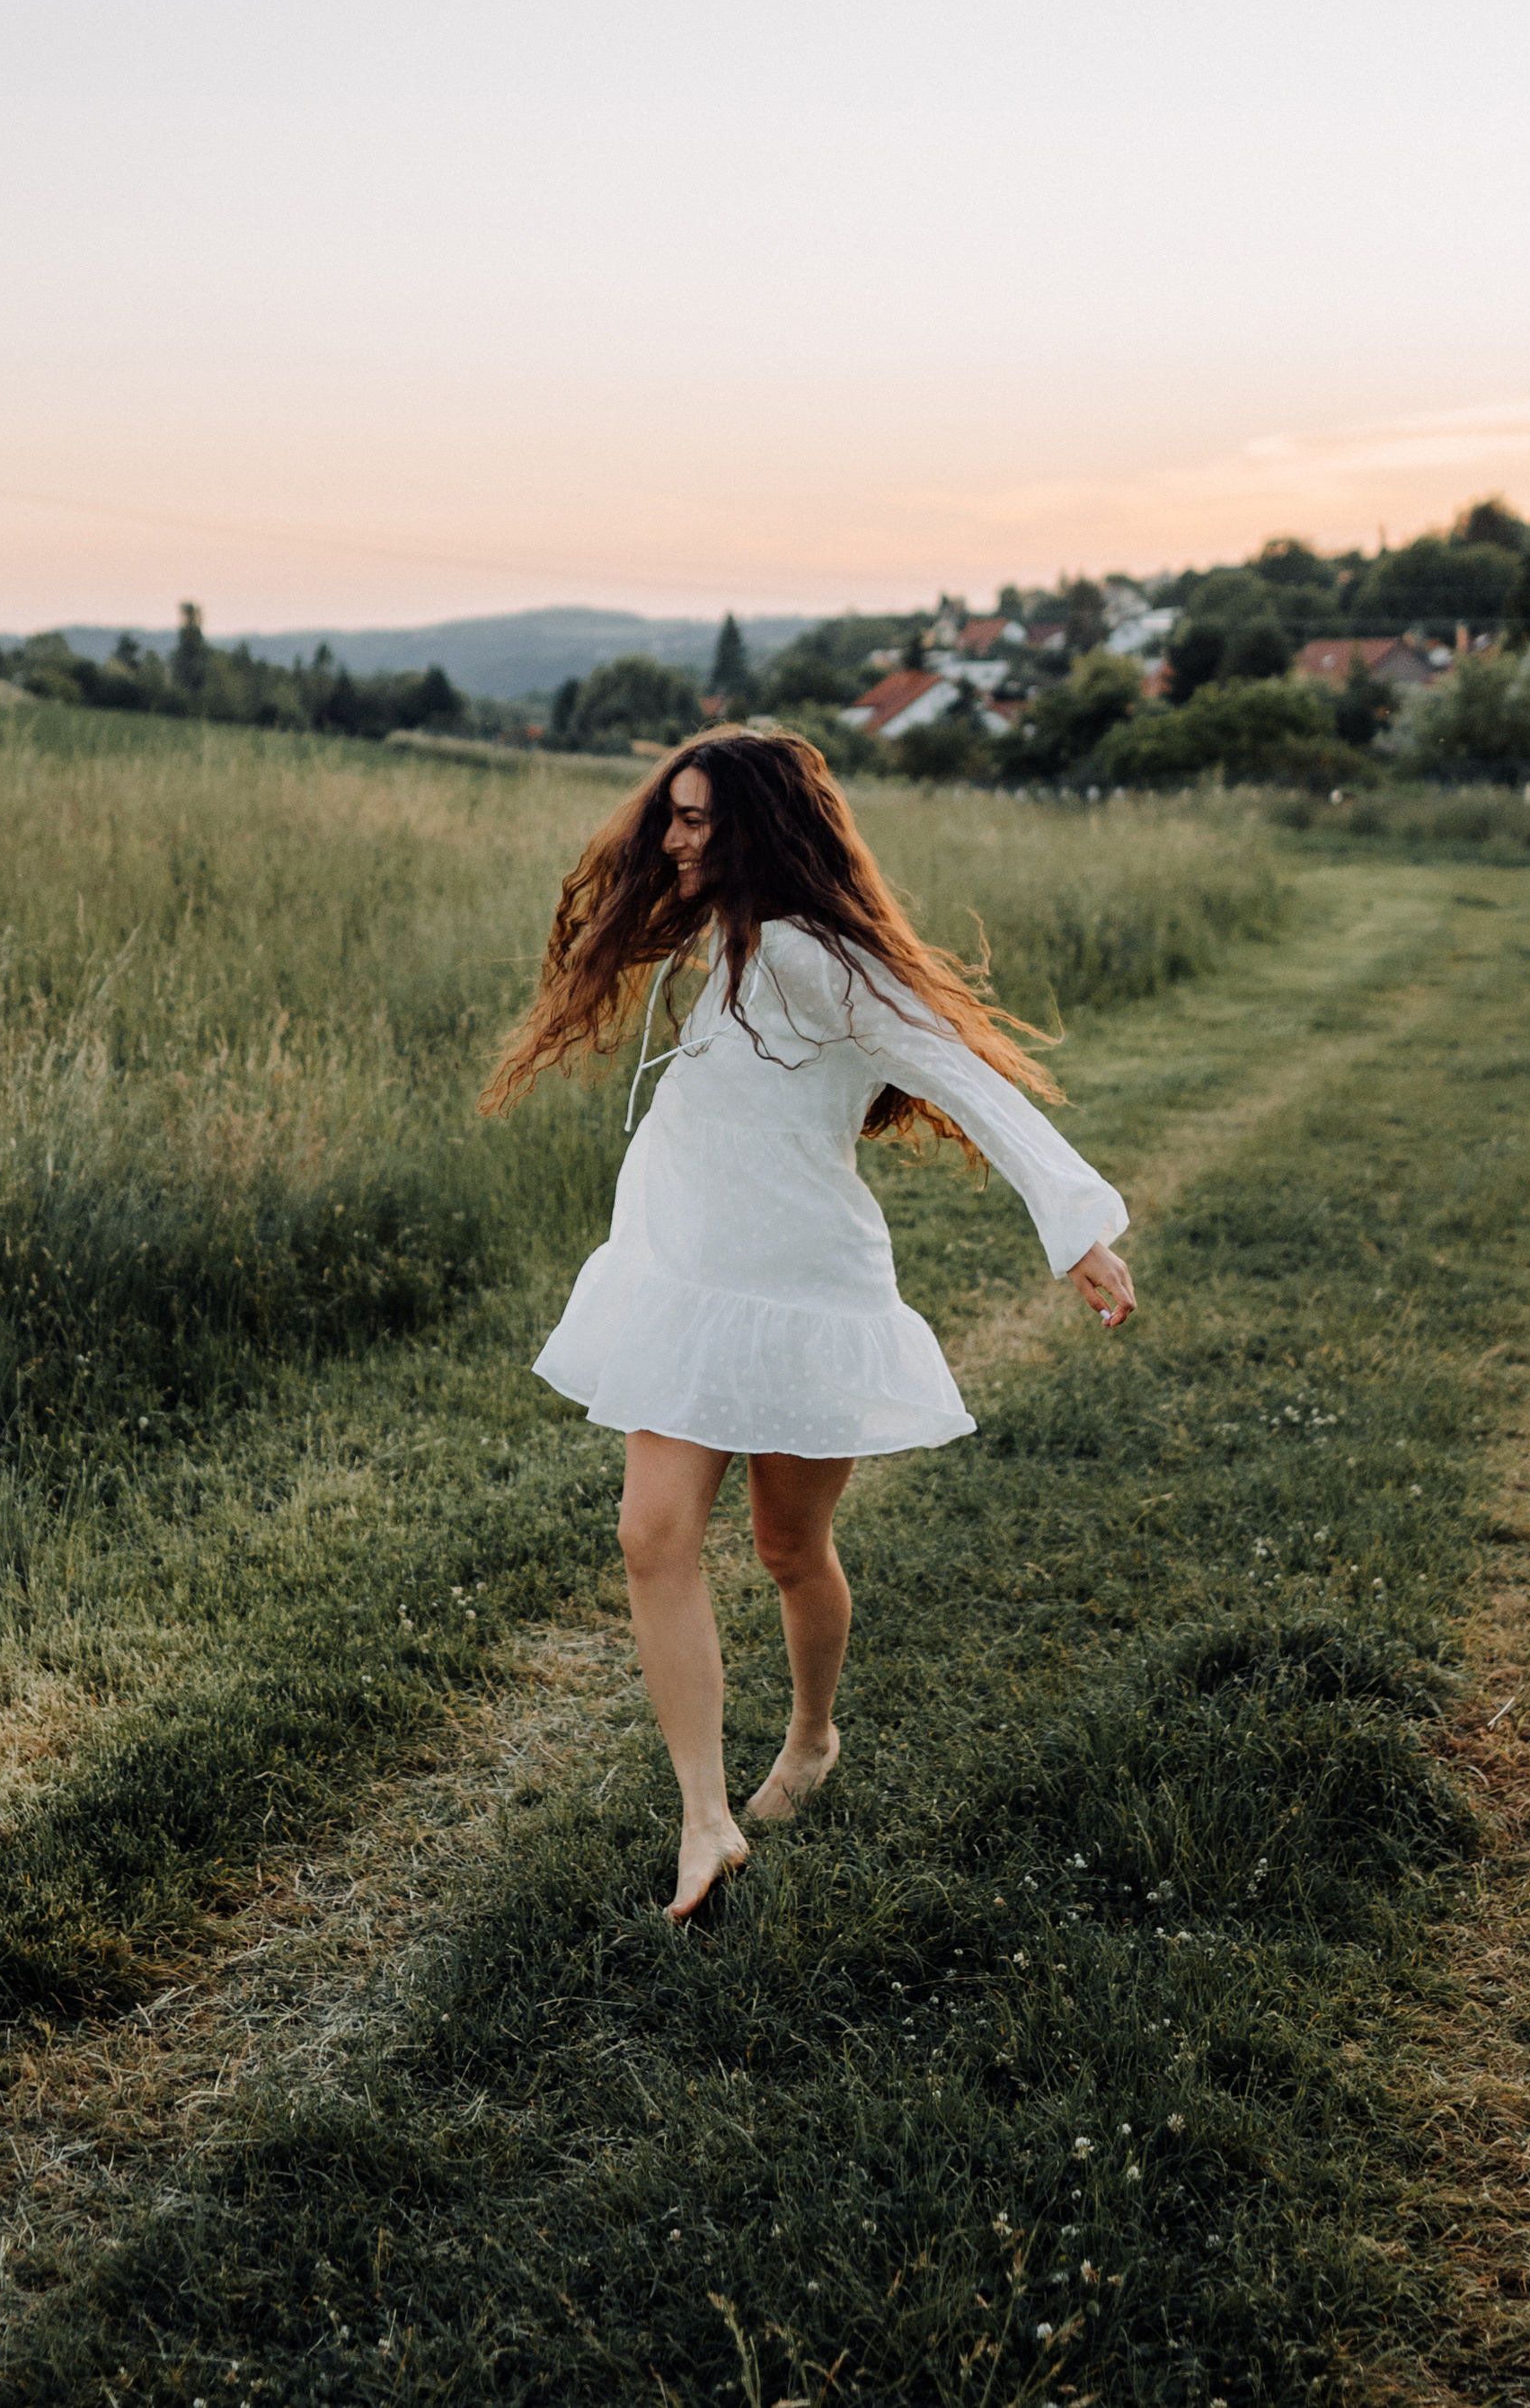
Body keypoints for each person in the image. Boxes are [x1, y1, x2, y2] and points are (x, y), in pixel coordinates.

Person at [481, 728, 1135, 1918]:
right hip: (679, 1277)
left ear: (760, 830)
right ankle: (704, 1820)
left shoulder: (821, 960)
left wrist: (1075, 1227)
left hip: (801, 1293)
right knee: (649, 1534)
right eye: (667, 816)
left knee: (789, 1551)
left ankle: (815, 1738)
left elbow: (963, 1075)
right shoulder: (723, 940)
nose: (671, 839)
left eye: (695, 820)